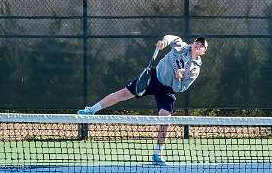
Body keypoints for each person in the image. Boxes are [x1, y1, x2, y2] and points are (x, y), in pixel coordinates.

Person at [77, 35, 208, 165]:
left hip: (167, 89)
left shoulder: (194, 69)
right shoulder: (181, 46)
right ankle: (91, 110)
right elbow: (171, 38)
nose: (198, 45)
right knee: (123, 94)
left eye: (202, 45)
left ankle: (157, 154)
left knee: (166, 119)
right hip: (153, 77)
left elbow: (181, 88)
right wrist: (164, 42)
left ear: (203, 52)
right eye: (197, 42)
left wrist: (178, 77)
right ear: (193, 43)